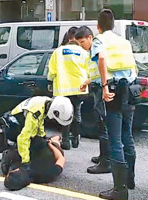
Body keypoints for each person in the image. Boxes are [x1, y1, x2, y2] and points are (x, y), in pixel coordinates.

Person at [81, 9, 137, 200]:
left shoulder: (100, 40)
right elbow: (132, 67)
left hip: (112, 92)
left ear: (98, 27)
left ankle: (120, 190)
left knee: (115, 141)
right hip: (128, 90)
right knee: (127, 136)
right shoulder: (124, 41)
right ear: (113, 25)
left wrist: (105, 87)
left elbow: (102, 59)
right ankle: (130, 180)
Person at [75, 26, 111, 174]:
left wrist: (104, 87)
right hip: (97, 88)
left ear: (90, 37)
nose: (81, 46)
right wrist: (87, 82)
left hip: (102, 90)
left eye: (82, 42)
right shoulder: (92, 52)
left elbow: (104, 66)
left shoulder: (97, 46)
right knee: (100, 124)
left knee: (104, 126)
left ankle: (106, 162)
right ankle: (103, 156)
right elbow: (97, 72)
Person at [47, 27, 90, 150]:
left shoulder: (59, 51)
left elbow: (52, 71)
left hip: (63, 89)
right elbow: (89, 71)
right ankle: (76, 136)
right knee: (76, 111)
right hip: (79, 88)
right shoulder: (84, 53)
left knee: (65, 114)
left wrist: (50, 82)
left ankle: (66, 141)